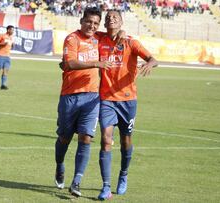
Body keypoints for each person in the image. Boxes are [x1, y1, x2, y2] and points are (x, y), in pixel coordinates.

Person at [97, 9, 158, 200]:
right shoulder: (99, 40)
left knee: (125, 141)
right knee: (106, 140)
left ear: (122, 22)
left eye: (115, 17)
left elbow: (153, 58)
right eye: (108, 18)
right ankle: (106, 186)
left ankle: (123, 174)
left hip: (128, 100)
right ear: (104, 23)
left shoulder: (131, 42)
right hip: (106, 99)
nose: (111, 19)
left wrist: (149, 64)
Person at [54, 7, 113, 197]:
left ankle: (76, 182)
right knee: (64, 138)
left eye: (96, 23)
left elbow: (115, 34)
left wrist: (120, 32)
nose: (92, 26)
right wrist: (96, 63)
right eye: (89, 21)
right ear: (81, 21)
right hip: (70, 96)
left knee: (86, 138)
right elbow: (69, 63)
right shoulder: (72, 39)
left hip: (92, 97)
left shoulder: (100, 38)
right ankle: (60, 165)